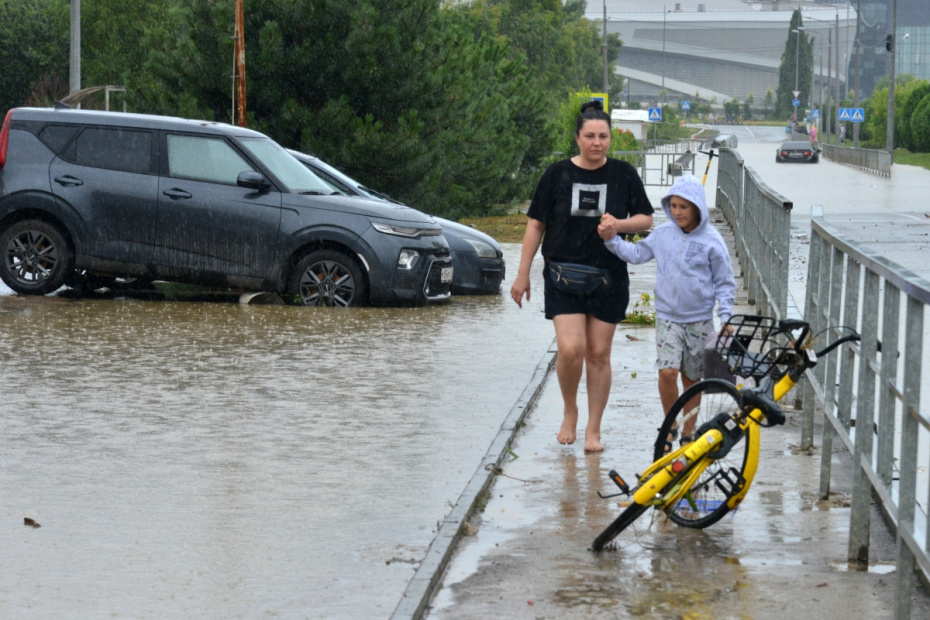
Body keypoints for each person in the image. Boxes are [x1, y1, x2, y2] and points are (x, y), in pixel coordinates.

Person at [510, 101, 654, 452]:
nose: (597, 143)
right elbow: (535, 225)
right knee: (571, 349)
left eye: (603, 136)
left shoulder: (623, 174)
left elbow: (646, 219)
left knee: (599, 354)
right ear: (577, 138)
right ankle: (570, 410)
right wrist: (522, 273)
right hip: (563, 275)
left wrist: (619, 226)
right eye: (589, 136)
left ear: (610, 138)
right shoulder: (556, 174)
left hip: (609, 277)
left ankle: (594, 429)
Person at [598, 175, 736, 449]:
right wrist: (611, 240)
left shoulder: (712, 241)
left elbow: (724, 282)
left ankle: (688, 432)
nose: (677, 212)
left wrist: (727, 318)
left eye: (683, 207)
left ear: (697, 207)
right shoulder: (662, 235)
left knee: (692, 379)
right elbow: (636, 253)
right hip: (668, 318)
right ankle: (670, 426)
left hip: (699, 320)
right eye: (672, 206)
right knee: (667, 373)